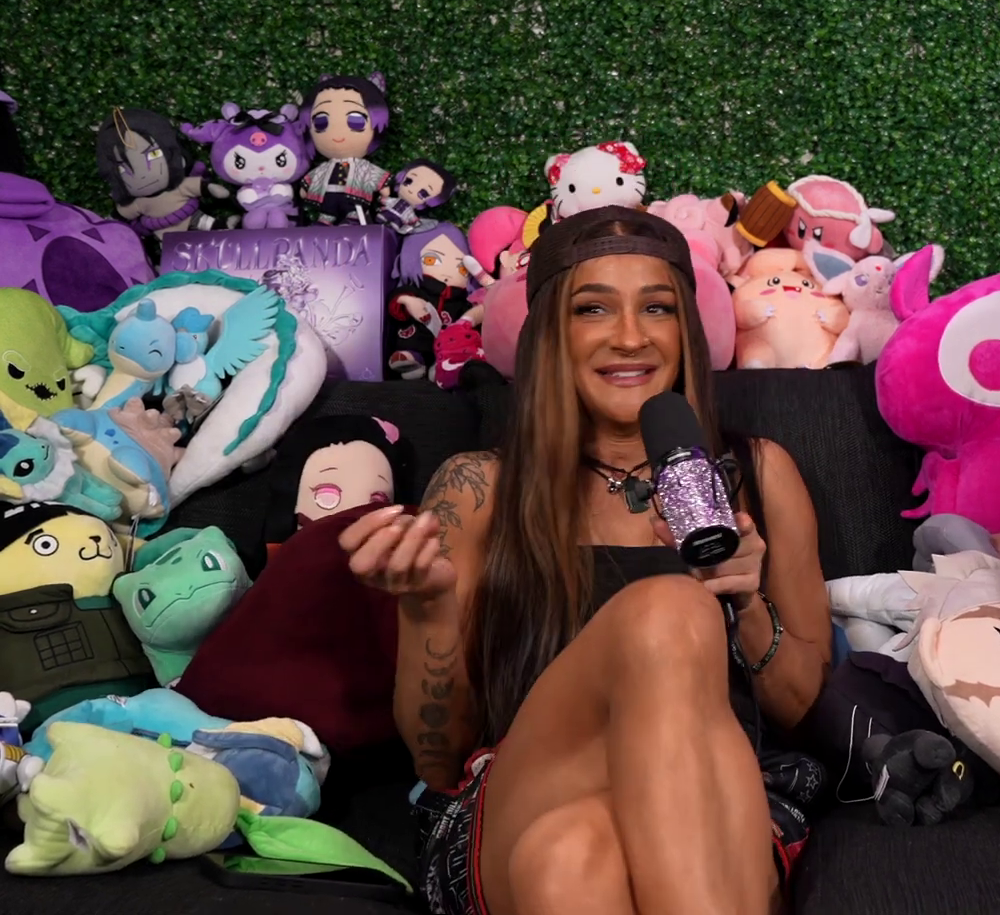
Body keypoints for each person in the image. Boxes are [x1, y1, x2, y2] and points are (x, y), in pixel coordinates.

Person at [340, 206, 834, 915]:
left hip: (704, 811)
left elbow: (806, 712)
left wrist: (746, 601)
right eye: (592, 308)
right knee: (669, 608)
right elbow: (437, 761)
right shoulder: (479, 489)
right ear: (549, 335)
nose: (630, 336)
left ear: (687, 332)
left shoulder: (760, 474)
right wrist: (426, 609)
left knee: (571, 858)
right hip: (519, 795)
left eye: (657, 308)